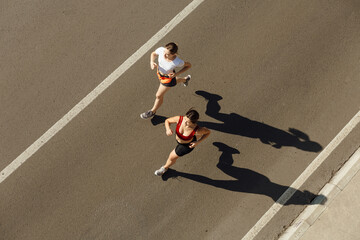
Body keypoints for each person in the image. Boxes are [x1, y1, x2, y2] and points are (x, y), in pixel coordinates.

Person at [140, 42, 192, 119]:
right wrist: (152, 62)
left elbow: (188, 66)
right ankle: (185, 79)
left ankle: (152, 111)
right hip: (159, 74)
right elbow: (153, 54)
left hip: (167, 79)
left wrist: (176, 74)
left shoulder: (177, 62)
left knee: (158, 95)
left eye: (167, 54)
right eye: (165, 51)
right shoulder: (161, 50)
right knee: (174, 81)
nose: (164, 54)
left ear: (173, 54)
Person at [154, 109, 211, 176]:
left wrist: (198, 142)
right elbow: (167, 121)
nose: (185, 122)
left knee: (172, 157)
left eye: (188, 122)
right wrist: (168, 129)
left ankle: (164, 168)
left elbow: (208, 132)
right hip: (180, 140)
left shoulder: (197, 130)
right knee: (193, 136)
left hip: (186, 146)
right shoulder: (180, 119)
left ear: (193, 122)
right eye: (185, 119)